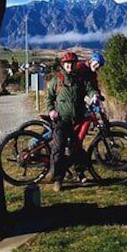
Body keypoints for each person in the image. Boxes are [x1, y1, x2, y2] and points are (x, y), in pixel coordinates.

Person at [46, 51, 97, 191]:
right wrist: (51, 110)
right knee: (58, 149)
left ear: (76, 65)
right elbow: (49, 97)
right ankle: (58, 179)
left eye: (72, 64)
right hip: (61, 120)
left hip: (77, 119)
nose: (70, 66)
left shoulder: (81, 79)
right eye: (68, 64)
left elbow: (90, 89)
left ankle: (80, 174)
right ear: (64, 65)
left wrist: (94, 95)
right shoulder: (57, 80)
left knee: (77, 147)